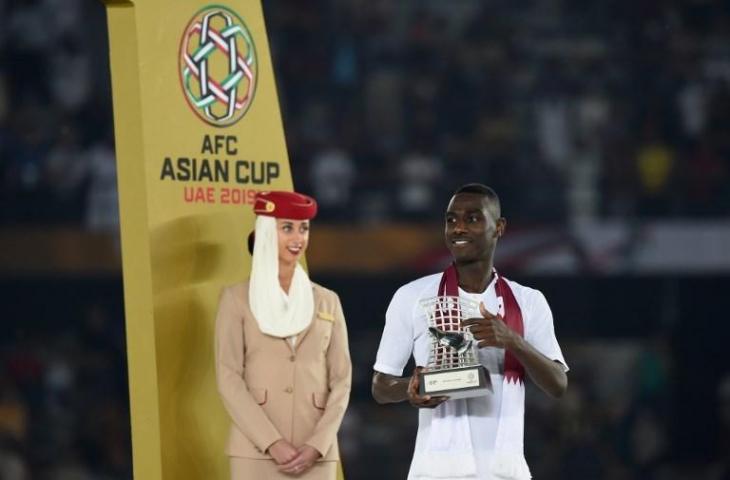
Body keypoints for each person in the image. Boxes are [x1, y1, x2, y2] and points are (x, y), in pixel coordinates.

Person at [372, 183, 568, 480]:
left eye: (473, 218)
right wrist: (409, 388)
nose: (458, 228)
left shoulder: (528, 301)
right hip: (435, 472)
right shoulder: (411, 296)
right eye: (451, 220)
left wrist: (513, 341)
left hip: (505, 472)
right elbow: (380, 386)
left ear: (499, 227)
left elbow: (558, 385)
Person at [215, 190, 352, 479]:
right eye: (287, 228)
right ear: (266, 232)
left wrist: (318, 444)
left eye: (303, 229)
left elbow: (342, 380)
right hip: (255, 451)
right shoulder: (236, 298)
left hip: (316, 453)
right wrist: (272, 443)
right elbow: (228, 376)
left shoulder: (328, 300)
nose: (298, 238)